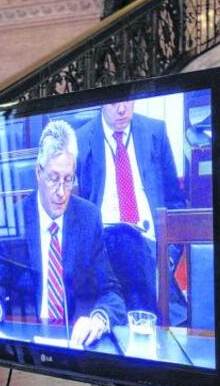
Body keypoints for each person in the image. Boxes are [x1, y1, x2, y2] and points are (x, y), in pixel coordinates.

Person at [0, 120, 125, 349]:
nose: (61, 192)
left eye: (68, 180)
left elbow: (111, 292)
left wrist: (97, 321)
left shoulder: (88, 218)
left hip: (76, 340)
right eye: (53, 178)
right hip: (28, 340)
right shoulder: (15, 220)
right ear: (38, 172)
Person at [74, 100, 187, 323]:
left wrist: (170, 257)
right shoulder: (80, 140)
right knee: (126, 243)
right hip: (103, 246)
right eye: (114, 102)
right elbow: (76, 213)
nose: (122, 109)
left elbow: (175, 202)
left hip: (152, 245)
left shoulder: (155, 132)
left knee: (135, 249)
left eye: (127, 101)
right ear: (100, 104)